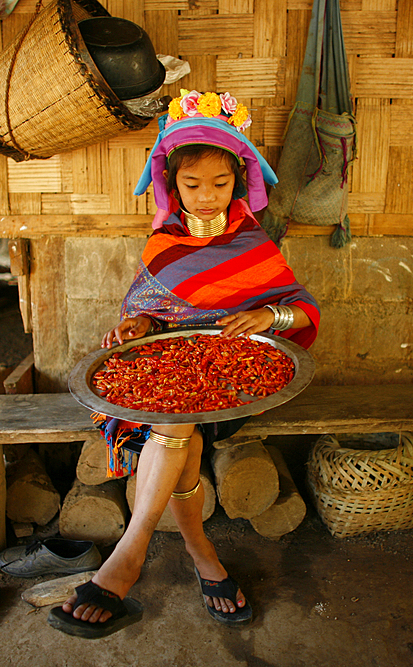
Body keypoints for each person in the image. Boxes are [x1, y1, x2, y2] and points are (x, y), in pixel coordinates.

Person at [48, 90, 320, 639]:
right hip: (174, 384)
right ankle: (203, 558)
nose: (205, 196)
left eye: (220, 185)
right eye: (192, 186)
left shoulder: (251, 239)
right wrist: (138, 327)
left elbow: (303, 313)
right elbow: (147, 316)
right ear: (172, 185)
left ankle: (128, 557)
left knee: (177, 422)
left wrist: (268, 317)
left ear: (241, 182)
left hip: (237, 386)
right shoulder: (163, 243)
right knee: (180, 429)